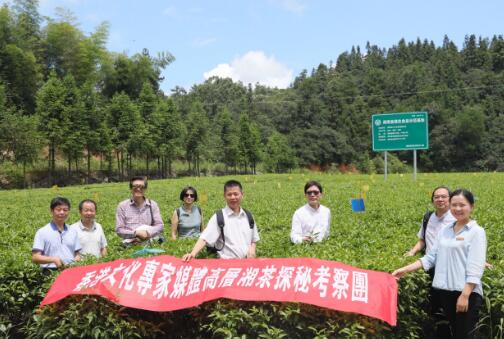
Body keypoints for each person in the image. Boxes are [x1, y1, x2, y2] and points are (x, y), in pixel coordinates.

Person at [393, 189, 486, 339]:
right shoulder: (445, 231)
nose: (457, 209)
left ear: (472, 206)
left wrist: (465, 295)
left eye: (462, 205)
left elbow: (475, 267)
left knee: (465, 334)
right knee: (455, 332)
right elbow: (430, 257)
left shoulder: (476, 232)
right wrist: (405, 269)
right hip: (446, 292)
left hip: (466, 293)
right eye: (454, 205)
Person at [182, 180, 259, 260]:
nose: (233, 197)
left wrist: (252, 249)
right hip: (227, 265)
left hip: (248, 265)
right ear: (224, 196)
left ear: (242, 195)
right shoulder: (219, 217)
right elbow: (205, 238)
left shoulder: (248, 216)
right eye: (229, 194)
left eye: (236, 194)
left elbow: (253, 239)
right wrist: (192, 254)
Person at [32, 197, 81, 271]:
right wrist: (53, 259)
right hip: (50, 271)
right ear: (52, 211)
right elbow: (35, 257)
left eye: (65, 210)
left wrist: (74, 263)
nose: (62, 212)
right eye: (58, 210)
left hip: (71, 270)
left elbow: (77, 254)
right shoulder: (42, 232)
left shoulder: (73, 231)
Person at [115, 176, 164, 245]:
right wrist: (136, 233)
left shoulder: (152, 205)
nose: (138, 189)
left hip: (149, 242)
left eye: (141, 187)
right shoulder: (122, 206)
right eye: (135, 186)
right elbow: (119, 230)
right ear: (130, 189)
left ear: (145, 189)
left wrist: (147, 233)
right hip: (130, 243)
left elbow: (160, 225)